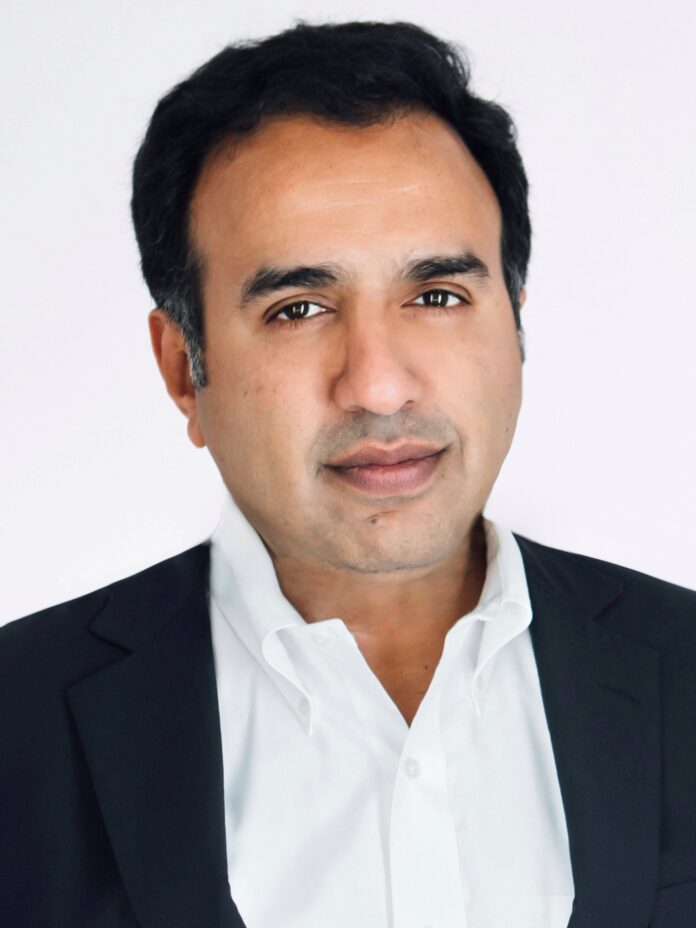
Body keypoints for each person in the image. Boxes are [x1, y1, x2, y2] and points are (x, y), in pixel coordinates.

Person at [1, 19, 694, 928]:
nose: (377, 385)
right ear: (183, 371)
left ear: (516, 328)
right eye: (298, 308)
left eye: (437, 296)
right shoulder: (18, 721)